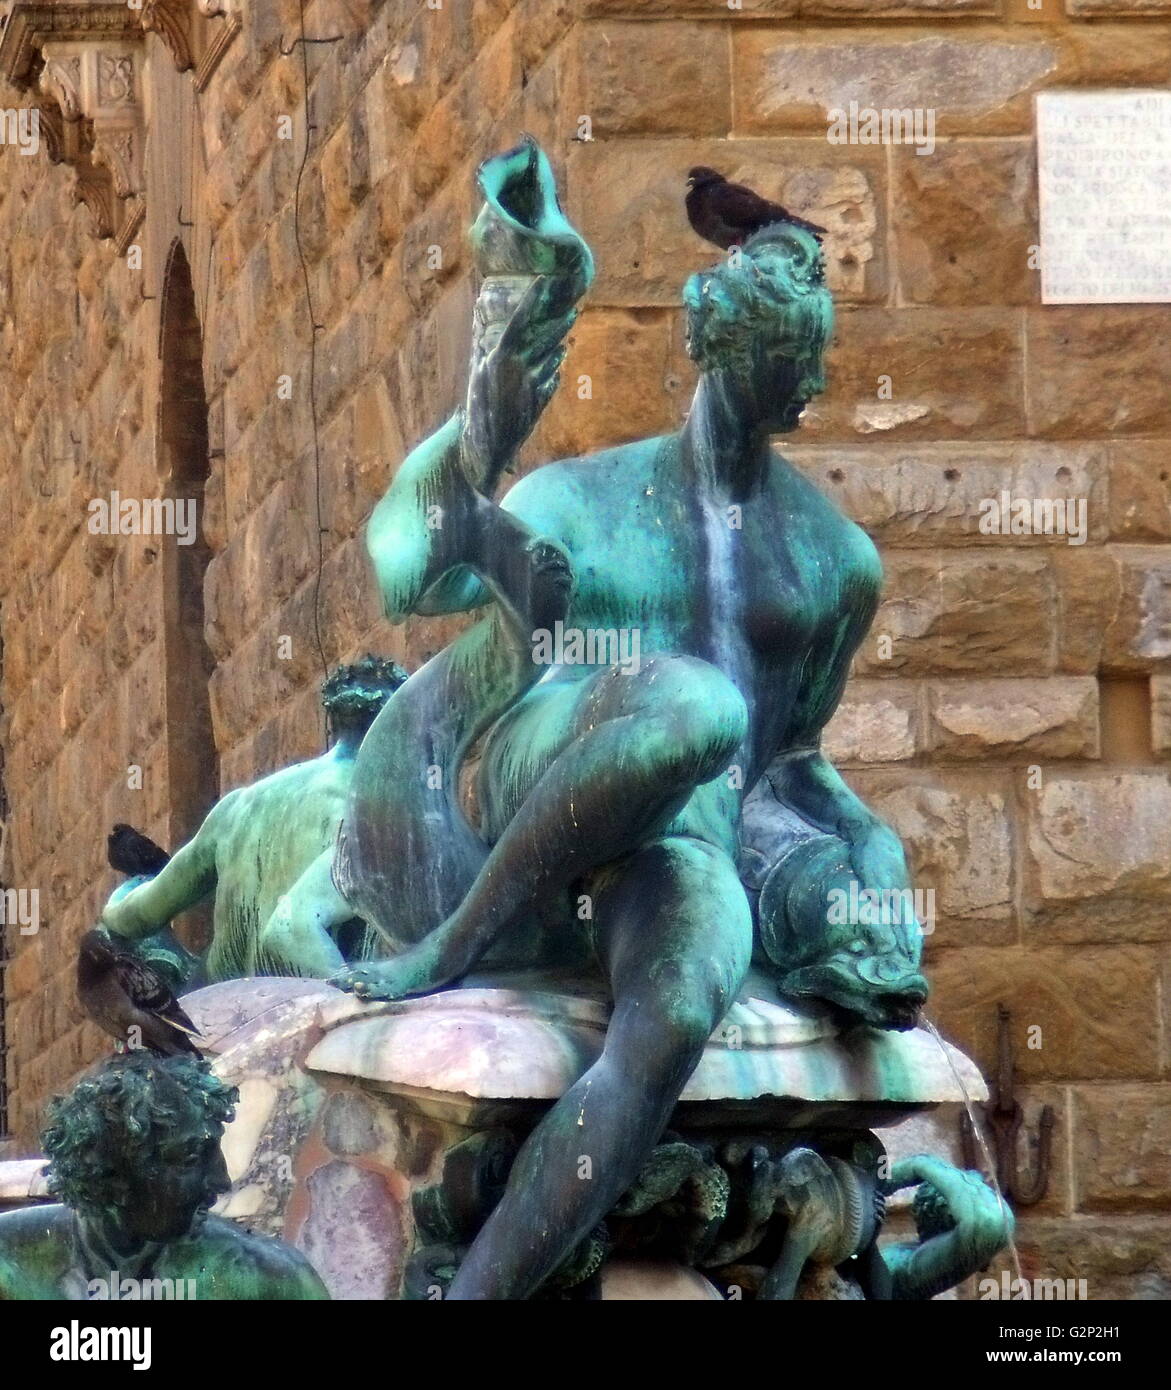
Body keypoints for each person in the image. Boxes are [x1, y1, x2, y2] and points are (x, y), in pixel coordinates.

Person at [331, 218, 924, 1300]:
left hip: (680, 839)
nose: (811, 386)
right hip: (526, 783)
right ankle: (452, 947)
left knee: (684, 1003)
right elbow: (404, 573)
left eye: (818, 360)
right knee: (696, 707)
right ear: (719, 349)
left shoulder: (837, 562)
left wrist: (870, 859)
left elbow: (791, 761)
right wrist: (476, 435)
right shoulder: (578, 501)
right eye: (790, 362)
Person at [100, 655, 407, 981]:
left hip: (220, 1011)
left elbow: (140, 915)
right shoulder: (369, 815)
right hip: (306, 1007)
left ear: (334, 721)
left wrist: (118, 900)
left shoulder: (237, 808)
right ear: (398, 729)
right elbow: (292, 930)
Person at [0, 1052, 327, 1300]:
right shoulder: (10, 1263)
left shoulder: (269, 1280)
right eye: (188, 1160)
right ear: (112, 1175)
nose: (220, 1181)